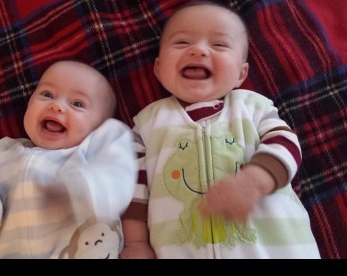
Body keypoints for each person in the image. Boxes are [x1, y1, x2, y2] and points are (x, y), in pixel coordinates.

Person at [120, 2, 320, 259]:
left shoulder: (253, 107)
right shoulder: (146, 125)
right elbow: (134, 193)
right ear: (158, 68)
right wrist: (135, 244)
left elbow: (286, 143)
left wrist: (255, 181)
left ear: (240, 73)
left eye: (219, 45)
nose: (198, 50)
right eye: (182, 42)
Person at [0, 60, 137, 259]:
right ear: (29, 104)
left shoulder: (94, 153)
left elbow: (118, 177)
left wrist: (79, 188)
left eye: (77, 104)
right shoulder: (2, 151)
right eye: (47, 94)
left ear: (98, 128)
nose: (56, 106)